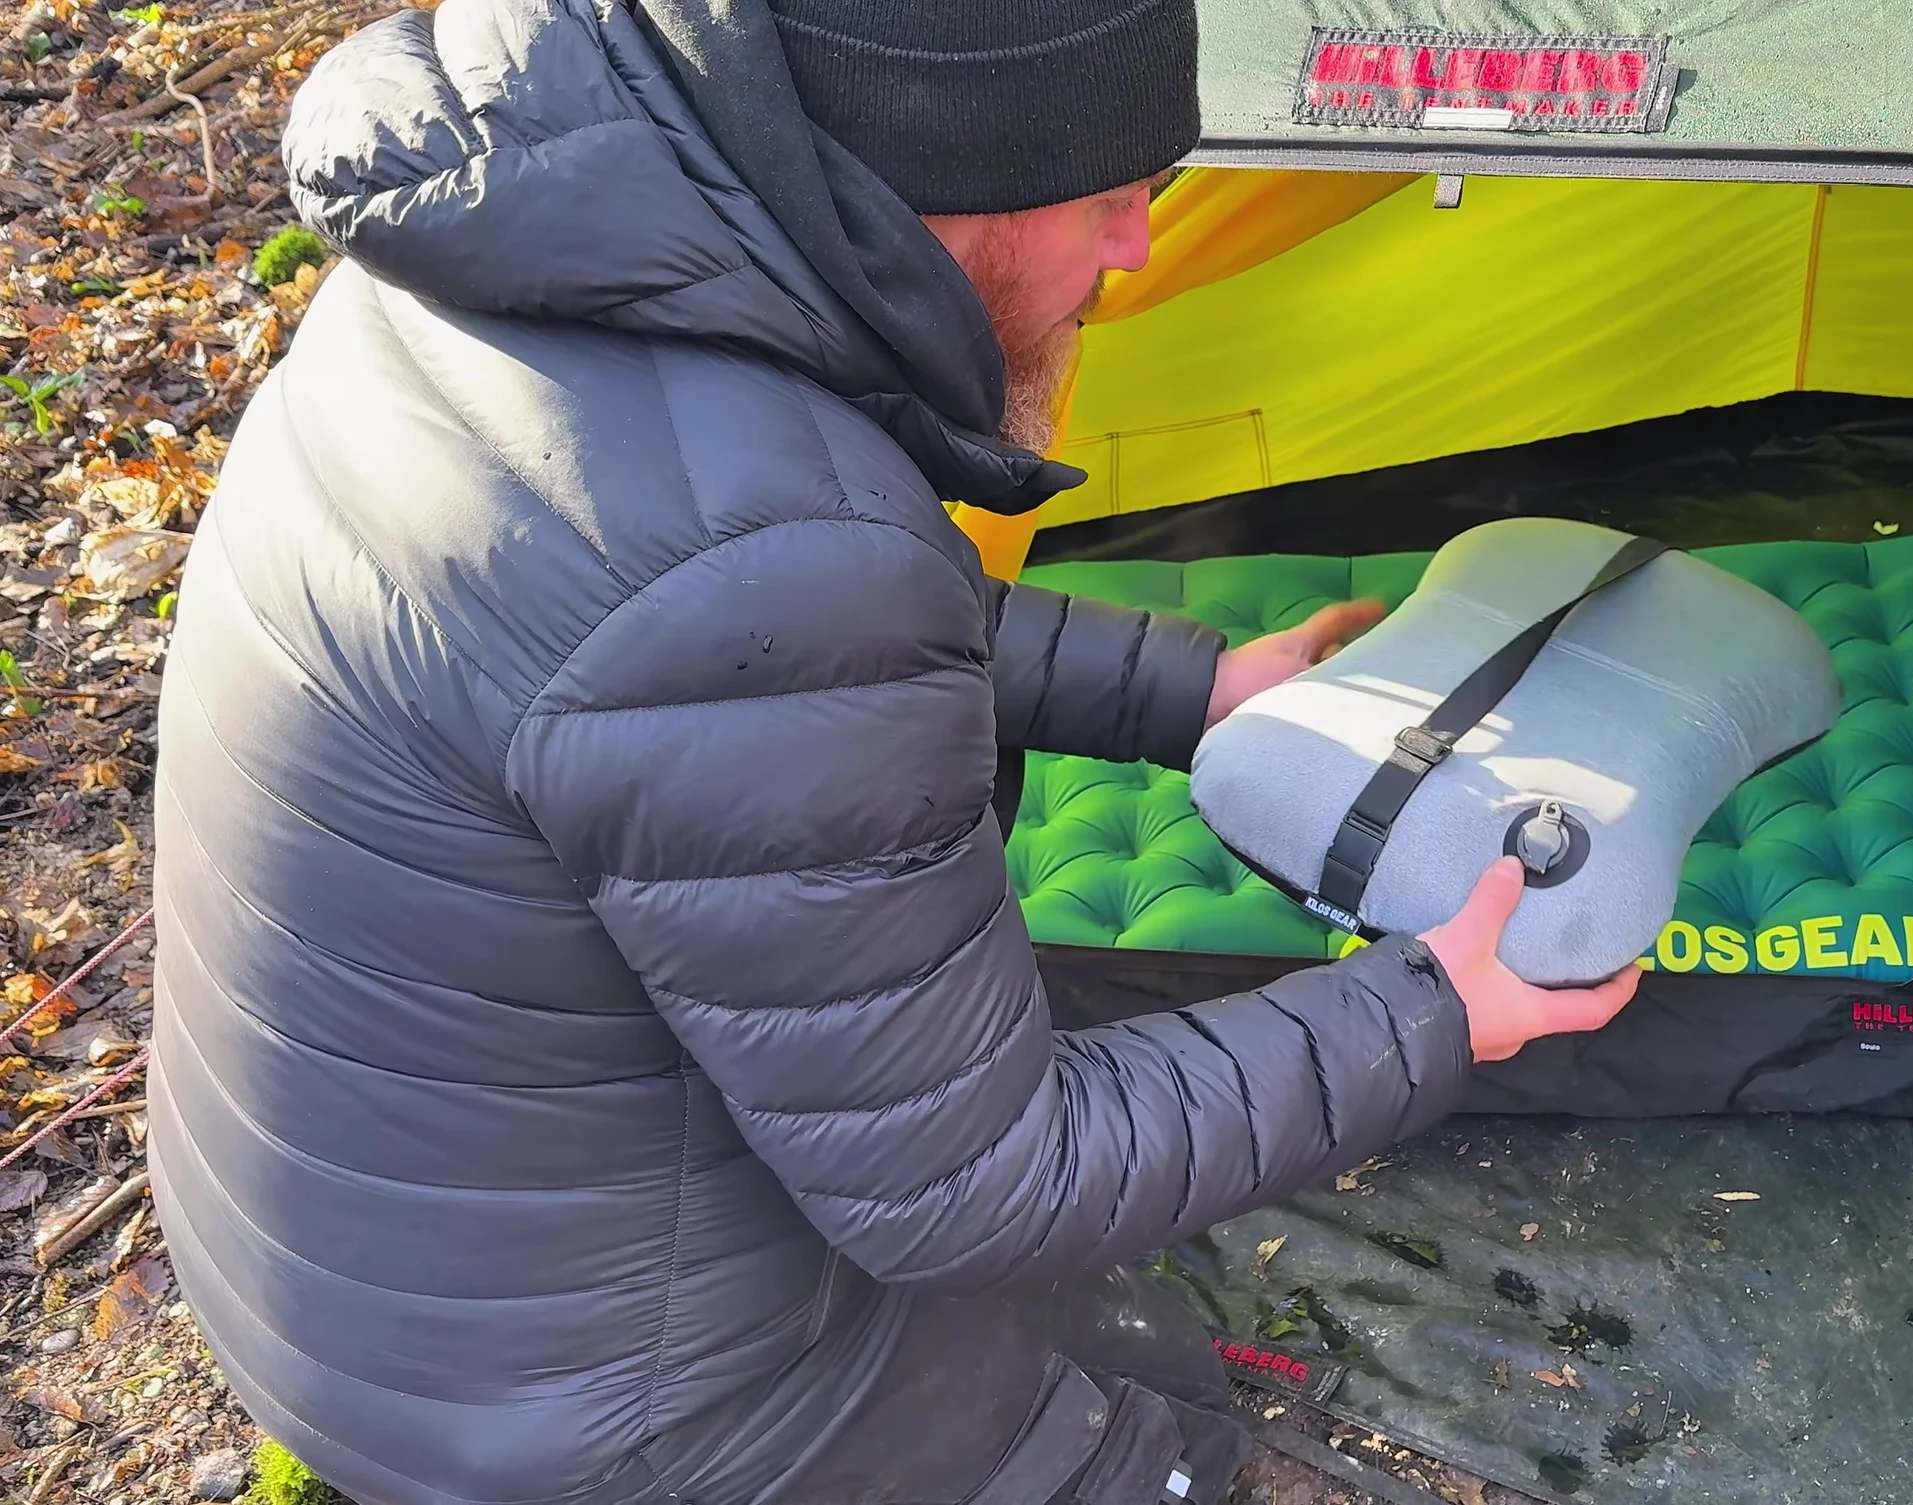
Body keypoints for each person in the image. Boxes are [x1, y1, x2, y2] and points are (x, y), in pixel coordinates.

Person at [142, 0, 1640, 1500]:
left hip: (379, 1275)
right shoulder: (757, 554)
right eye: (1113, 199)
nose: (1136, 254)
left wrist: (1196, 690)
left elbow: (753, 643)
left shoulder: (509, 266)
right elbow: (985, 1187)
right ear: (954, 195)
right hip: (599, 1412)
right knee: (1162, 1460)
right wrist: (1438, 1013)